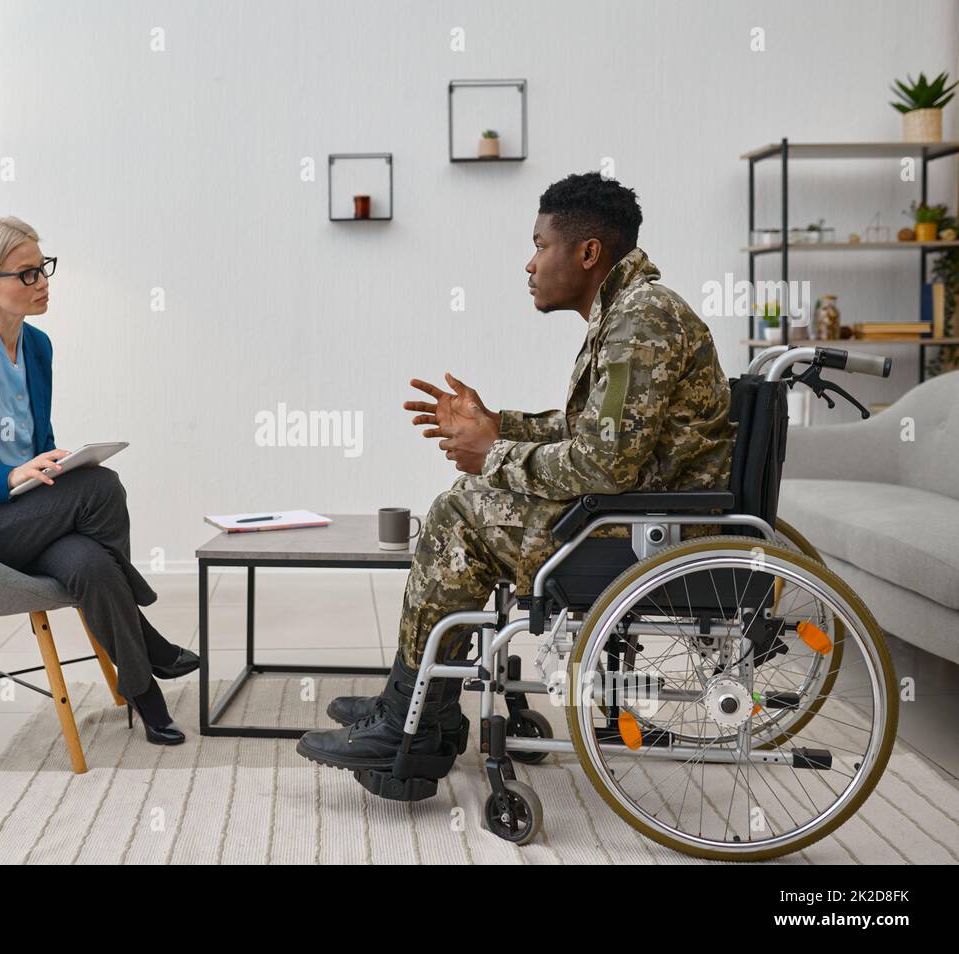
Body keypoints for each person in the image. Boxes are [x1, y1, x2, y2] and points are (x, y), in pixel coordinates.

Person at [296, 173, 738, 775]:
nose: (529, 264)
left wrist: (492, 454)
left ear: (587, 253)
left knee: (459, 512)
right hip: (640, 514)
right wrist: (498, 424)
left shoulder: (641, 321)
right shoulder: (632, 311)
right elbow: (596, 432)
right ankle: (422, 706)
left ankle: (416, 722)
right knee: (466, 499)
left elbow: (604, 464)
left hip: (650, 535)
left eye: (540, 245)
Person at [0, 215, 199, 745]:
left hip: (27, 515)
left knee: (87, 561)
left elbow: (33, 442)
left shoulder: (38, 348)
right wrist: (8, 474)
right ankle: (148, 640)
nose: (43, 284)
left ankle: (144, 696)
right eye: (27, 274)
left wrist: (51, 464)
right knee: (102, 488)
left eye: (43, 269)